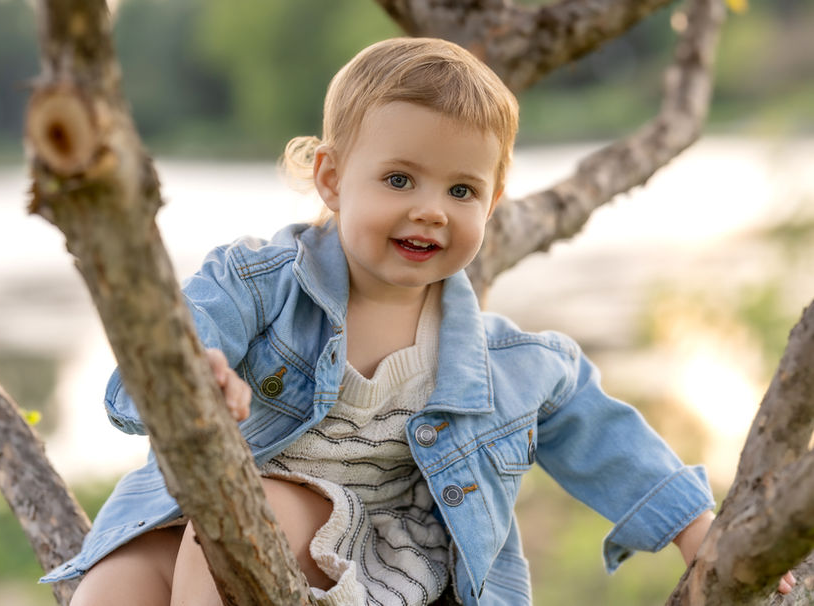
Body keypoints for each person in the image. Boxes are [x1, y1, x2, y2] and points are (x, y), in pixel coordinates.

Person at [41, 37, 796, 605]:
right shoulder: (257, 279)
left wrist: (697, 529)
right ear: (333, 180)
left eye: (462, 190)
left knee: (256, 512)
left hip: (371, 559)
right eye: (398, 179)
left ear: (491, 203)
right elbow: (187, 333)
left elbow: (607, 437)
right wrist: (196, 375)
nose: (430, 209)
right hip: (203, 509)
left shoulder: (511, 363)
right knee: (112, 587)